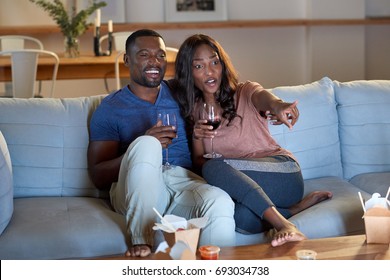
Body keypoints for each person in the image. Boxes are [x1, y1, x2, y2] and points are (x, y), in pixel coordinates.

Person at [171, 33, 332, 247]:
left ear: (223, 65)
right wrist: (196, 136)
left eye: (214, 62)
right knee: (239, 217)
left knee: (215, 166)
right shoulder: (194, 111)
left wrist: (279, 106)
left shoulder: (246, 92)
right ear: (189, 72)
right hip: (253, 189)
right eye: (199, 66)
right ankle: (294, 210)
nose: (209, 71)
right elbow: (202, 165)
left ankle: (284, 225)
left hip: (283, 175)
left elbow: (267, 99)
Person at [87, 29, 235, 258]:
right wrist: (143, 145)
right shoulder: (110, 108)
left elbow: (221, 86)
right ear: (127, 60)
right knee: (147, 144)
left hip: (182, 181)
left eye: (161, 55)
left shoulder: (181, 92)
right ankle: (141, 240)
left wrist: (269, 104)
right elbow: (98, 175)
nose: (154, 61)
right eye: (144, 54)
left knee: (220, 200)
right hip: (138, 188)